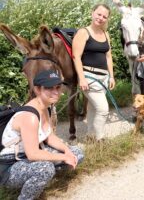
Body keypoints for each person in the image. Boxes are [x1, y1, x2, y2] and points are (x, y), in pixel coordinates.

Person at [0, 70, 84, 199]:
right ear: (38, 89)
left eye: (58, 87)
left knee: (76, 153)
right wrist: (63, 157)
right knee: (45, 168)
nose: (56, 92)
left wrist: (67, 152)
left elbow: (49, 137)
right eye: (49, 88)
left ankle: (40, 181)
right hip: (9, 166)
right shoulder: (30, 116)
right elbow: (33, 154)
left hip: (26, 157)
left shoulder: (45, 107)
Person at [72, 3, 115, 140]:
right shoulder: (83, 32)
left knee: (93, 108)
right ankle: (100, 139)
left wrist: (111, 76)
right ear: (92, 13)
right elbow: (76, 57)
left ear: (107, 19)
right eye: (99, 14)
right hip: (89, 77)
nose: (101, 18)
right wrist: (82, 78)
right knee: (103, 110)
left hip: (103, 78)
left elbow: (108, 56)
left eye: (104, 16)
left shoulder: (105, 34)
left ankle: (90, 136)